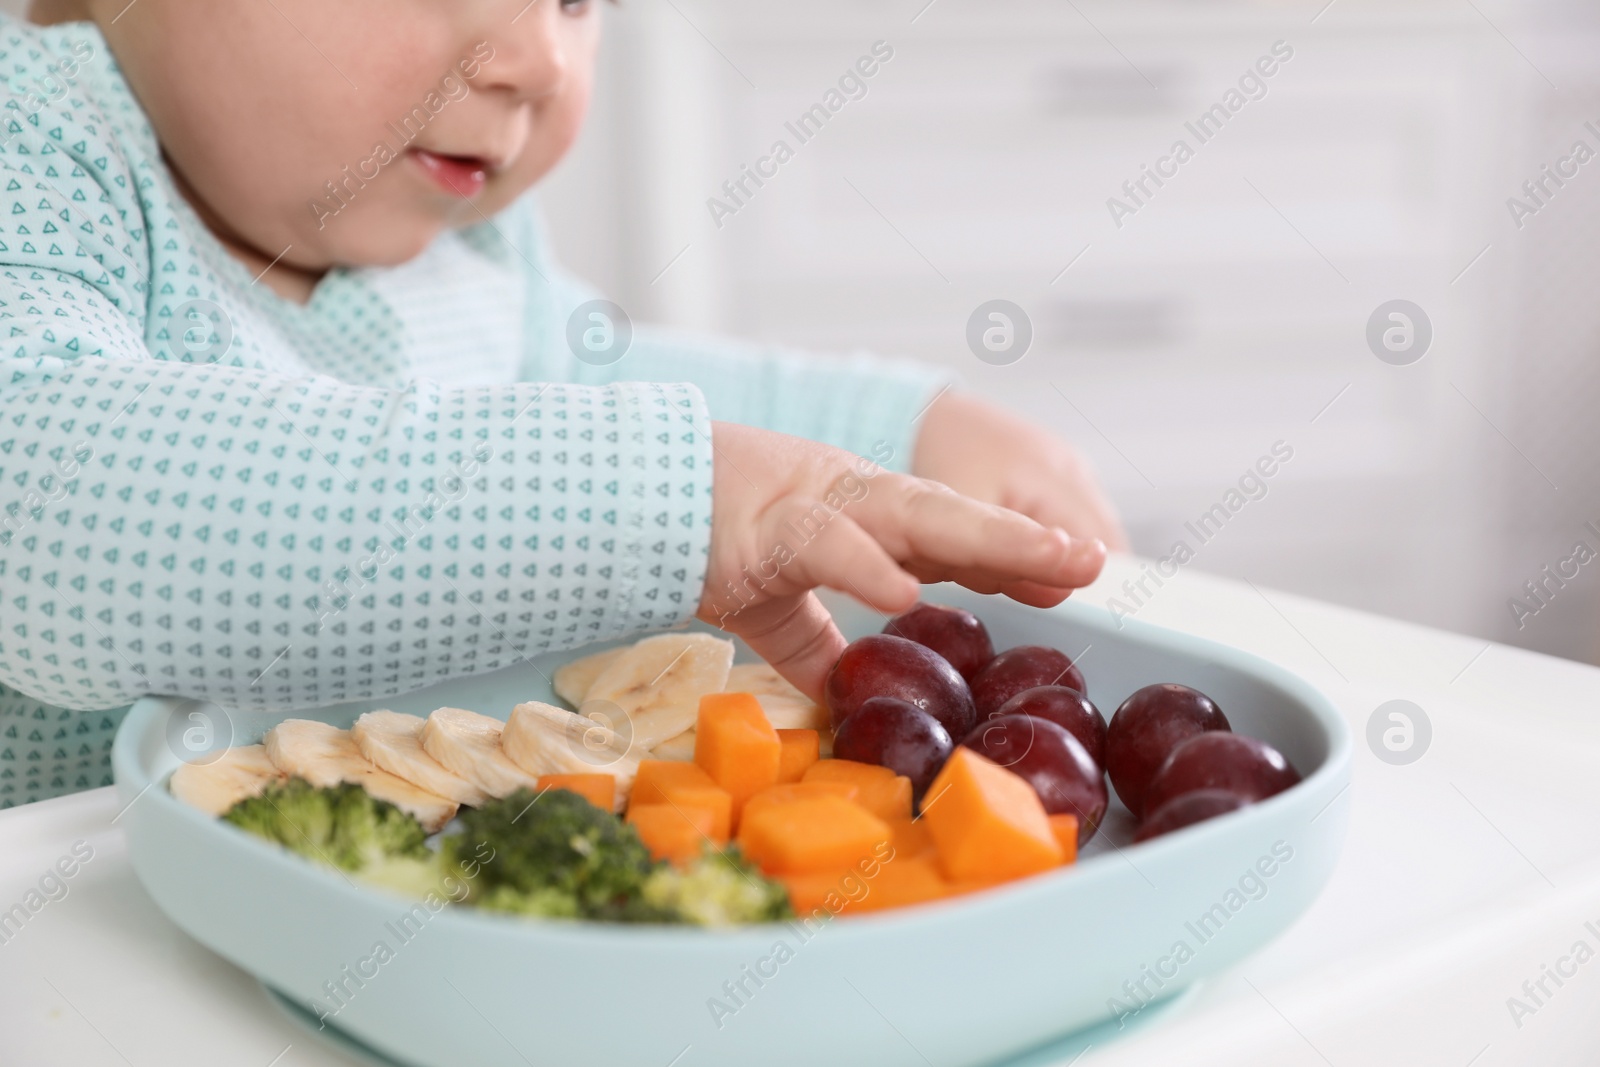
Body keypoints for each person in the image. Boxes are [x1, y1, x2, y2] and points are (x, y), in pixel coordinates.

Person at [0, 0, 1124, 807]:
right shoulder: (34, 140)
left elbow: (616, 391)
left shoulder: (471, 250)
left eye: (577, 0)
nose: (537, 56)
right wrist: (679, 499)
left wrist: (905, 426)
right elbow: (42, 499)